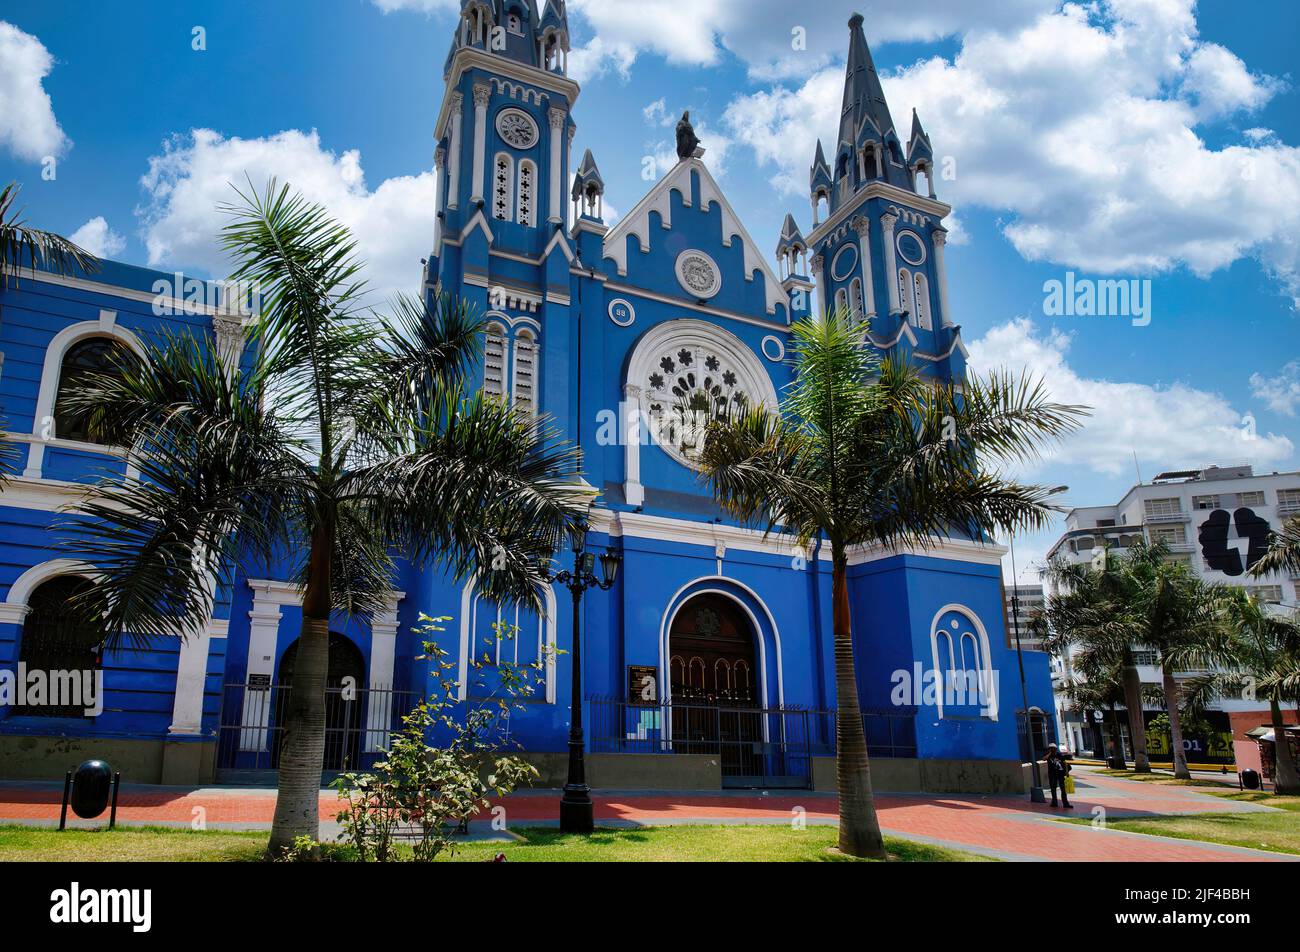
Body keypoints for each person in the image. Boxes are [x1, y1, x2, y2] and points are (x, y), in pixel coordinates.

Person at [1045, 742, 1073, 808]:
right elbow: (1044, 758)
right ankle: (1054, 802)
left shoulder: (1059, 755)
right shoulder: (1048, 755)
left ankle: (1065, 803)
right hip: (1052, 774)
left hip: (1060, 773)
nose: (1053, 750)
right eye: (1051, 749)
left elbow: (1065, 763)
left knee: (1063, 789)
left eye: (1054, 748)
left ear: (1056, 749)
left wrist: (1067, 772)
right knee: (1053, 788)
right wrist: (1049, 753)